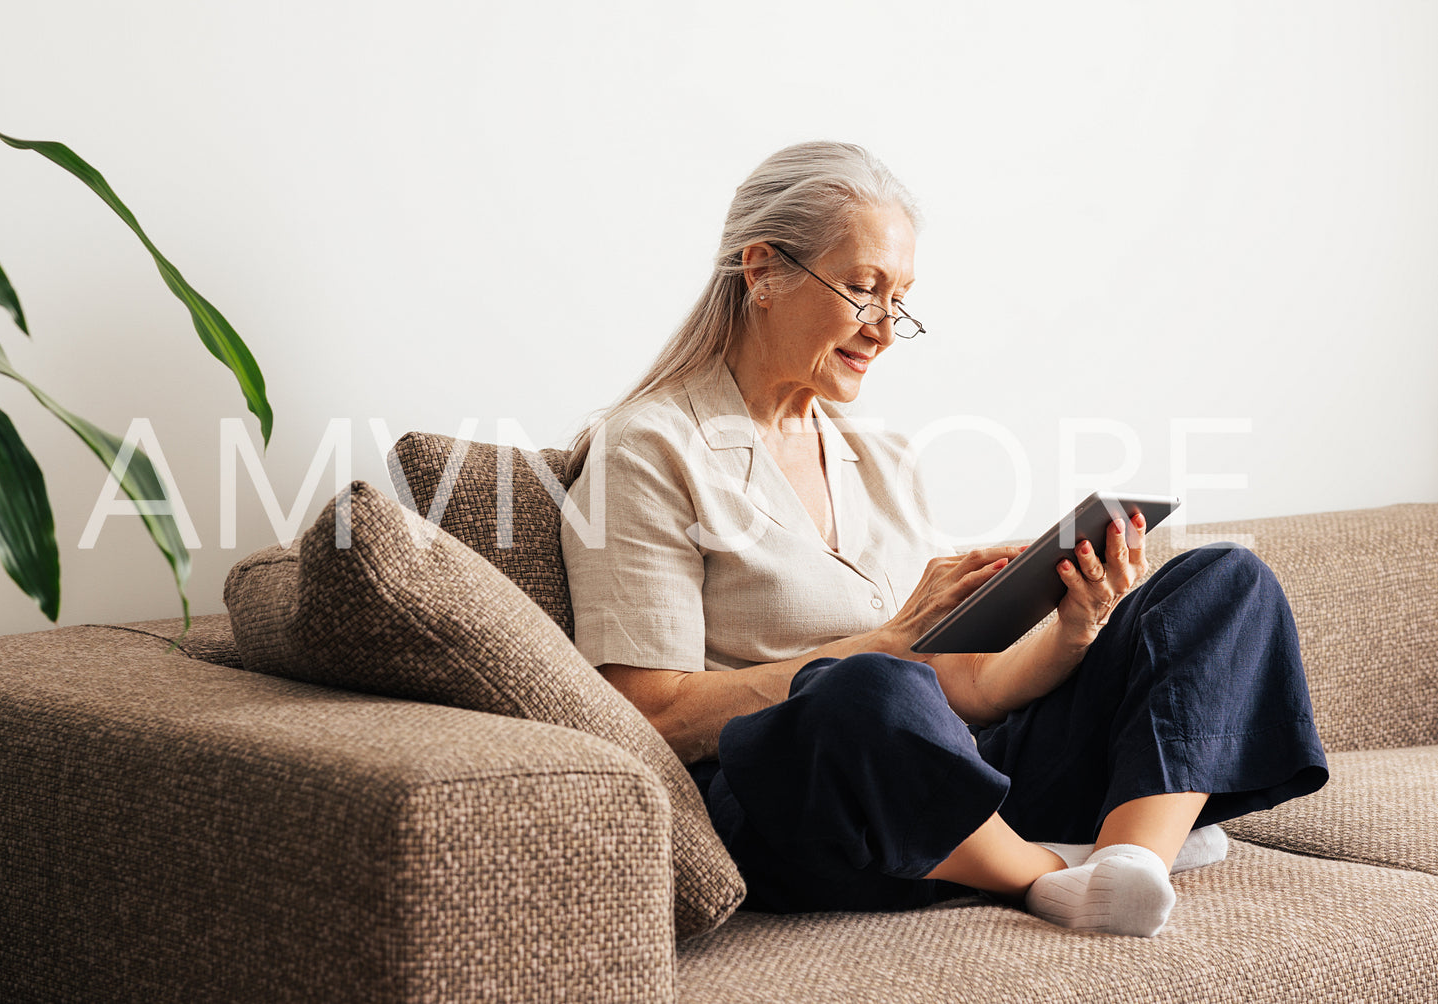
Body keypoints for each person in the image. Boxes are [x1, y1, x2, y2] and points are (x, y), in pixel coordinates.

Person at [559, 141, 1327, 937]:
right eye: (863, 291)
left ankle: (1131, 861)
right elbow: (644, 715)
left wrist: (1073, 629)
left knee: (1223, 581)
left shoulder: (880, 458)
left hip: (945, 775)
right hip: (806, 796)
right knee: (860, 690)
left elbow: (966, 687)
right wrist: (882, 645)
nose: (886, 328)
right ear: (761, 271)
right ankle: (1051, 872)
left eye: (901, 299)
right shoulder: (646, 449)